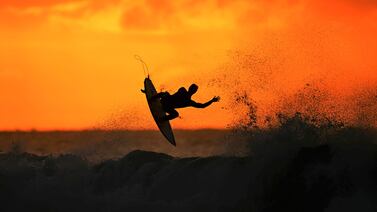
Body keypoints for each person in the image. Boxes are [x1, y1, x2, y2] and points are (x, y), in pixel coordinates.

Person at [142, 84, 220, 121]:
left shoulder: (182, 89)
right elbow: (202, 106)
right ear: (195, 92)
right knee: (176, 114)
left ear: (189, 87)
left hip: (164, 101)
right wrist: (212, 101)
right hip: (167, 108)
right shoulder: (189, 102)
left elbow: (202, 106)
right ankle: (162, 119)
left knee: (165, 93)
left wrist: (212, 101)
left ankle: (152, 97)